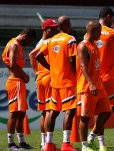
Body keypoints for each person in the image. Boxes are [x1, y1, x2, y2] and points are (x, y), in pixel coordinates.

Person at [36, 16, 78, 151]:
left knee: (53, 112)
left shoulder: (49, 41)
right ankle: (66, 143)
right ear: (66, 25)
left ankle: (48, 144)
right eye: (69, 24)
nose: (70, 26)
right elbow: (73, 60)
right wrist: (77, 75)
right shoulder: (70, 39)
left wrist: (51, 68)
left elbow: (37, 56)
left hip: (54, 81)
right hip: (67, 81)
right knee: (69, 111)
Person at [92, 7, 114, 151]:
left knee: (98, 111)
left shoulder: (91, 32)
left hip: (95, 79)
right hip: (110, 78)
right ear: (108, 17)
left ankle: (101, 145)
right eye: (112, 18)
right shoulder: (113, 33)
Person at [76, 20, 111, 151]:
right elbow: (83, 65)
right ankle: (85, 146)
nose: (100, 34)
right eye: (99, 31)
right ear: (91, 31)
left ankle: (91, 137)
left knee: (107, 112)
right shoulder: (82, 46)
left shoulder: (94, 45)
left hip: (98, 86)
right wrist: (91, 83)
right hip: (87, 88)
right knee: (85, 118)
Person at [2, 27, 36, 150]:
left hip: (18, 82)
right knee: (14, 113)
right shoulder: (14, 45)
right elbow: (12, 63)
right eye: (29, 41)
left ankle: (21, 142)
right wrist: (24, 75)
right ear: (25, 36)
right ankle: (11, 143)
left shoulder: (16, 45)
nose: (28, 44)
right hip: (15, 82)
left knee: (21, 113)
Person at [28, 18, 58, 150]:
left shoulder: (42, 42)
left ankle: (43, 142)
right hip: (47, 78)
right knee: (49, 111)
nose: (55, 30)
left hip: (42, 78)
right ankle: (47, 143)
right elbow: (32, 55)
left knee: (44, 113)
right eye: (52, 28)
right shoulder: (45, 42)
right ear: (45, 29)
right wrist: (37, 71)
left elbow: (32, 55)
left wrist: (37, 73)